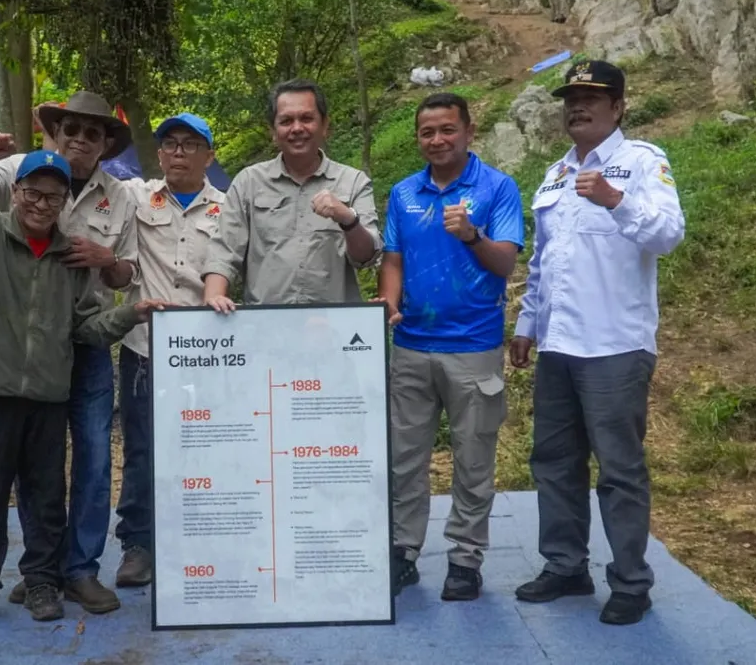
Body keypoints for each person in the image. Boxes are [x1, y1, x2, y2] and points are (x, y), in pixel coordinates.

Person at [0, 132, 168, 631]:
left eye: (52, 196)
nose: (41, 204)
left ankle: (41, 580)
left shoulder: (70, 257)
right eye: (32, 193)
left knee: (45, 494)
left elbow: (84, 327)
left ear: (63, 203)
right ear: (16, 193)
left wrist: (130, 316)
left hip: (47, 394)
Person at [510, 60, 685, 625]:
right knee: (554, 461)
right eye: (571, 98)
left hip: (614, 344)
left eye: (592, 97)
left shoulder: (642, 163)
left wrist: (616, 199)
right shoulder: (555, 173)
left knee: (619, 468)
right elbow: (544, 262)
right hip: (559, 344)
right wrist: (526, 324)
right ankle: (566, 567)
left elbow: (668, 235)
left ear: (618, 107)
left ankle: (631, 582)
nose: (578, 106)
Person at [0, 90, 139, 615]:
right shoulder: (16, 173)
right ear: (55, 133)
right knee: (30, 468)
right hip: (21, 347)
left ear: (106, 144)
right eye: (71, 130)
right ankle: (40, 571)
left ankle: (80, 571)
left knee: (90, 459)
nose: (80, 141)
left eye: (93, 133)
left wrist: (106, 260)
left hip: (88, 340)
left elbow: (128, 274)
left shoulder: (124, 196)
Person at [378, 92, 524, 601]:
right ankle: (403, 551)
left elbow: (505, 262)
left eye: (447, 129)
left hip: (474, 345)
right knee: (404, 456)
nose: (437, 140)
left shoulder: (497, 188)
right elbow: (392, 258)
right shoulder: (403, 192)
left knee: (473, 457)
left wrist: (471, 234)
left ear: (468, 130)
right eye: (427, 132)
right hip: (411, 344)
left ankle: (465, 558)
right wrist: (389, 302)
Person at [114, 112, 226, 587]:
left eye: (189, 144)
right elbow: (86, 178)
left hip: (211, 351)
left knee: (208, 447)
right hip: (146, 347)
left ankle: (202, 537)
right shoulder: (135, 197)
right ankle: (138, 543)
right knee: (143, 449)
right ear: (158, 153)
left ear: (209, 155)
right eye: (170, 144)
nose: (178, 152)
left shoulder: (230, 206)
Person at [201, 78, 381, 311]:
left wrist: (348, 219)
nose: (297, 128)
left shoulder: (353, 181)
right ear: (273, 132)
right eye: (286, 121)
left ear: (325, 125)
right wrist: (214, 295)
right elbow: (224, 250)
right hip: (266, 326)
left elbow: (367, 257)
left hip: (334, 329)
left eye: (306, 118)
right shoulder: (249, 182)